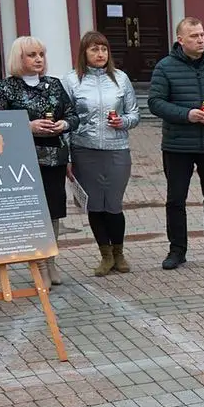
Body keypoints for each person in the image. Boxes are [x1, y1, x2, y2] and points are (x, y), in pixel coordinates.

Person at [148, 17, 204, 269]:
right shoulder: (165, 67)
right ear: (180, 40)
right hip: (178, 146)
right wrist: (186, 115)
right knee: (176, 199)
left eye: (201, 35)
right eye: (194, 36)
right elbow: (155, 102)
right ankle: (177, 250)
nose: (200, 40)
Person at [0, 37, 78, 287]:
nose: (38, 59)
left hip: (54, 158)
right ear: (19, 58)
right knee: (33, 212)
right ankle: (38, 261)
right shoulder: (5, 88)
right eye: (32, 55)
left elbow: (72, 115)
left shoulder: (54, 84)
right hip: (24, 159)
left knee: (53, 212)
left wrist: (63, 124)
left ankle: (50, 260)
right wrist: (26, 126)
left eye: (41, 54)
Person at [63, 31, 140, 277]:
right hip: (85, 151)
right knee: (95, 206)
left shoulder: (120, 79)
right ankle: (105, 255)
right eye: (94, 50)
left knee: (114, 205)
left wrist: (123, 122)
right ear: (84, 53)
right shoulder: (71, 81)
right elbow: (66, 119)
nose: (100, 54)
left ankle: (119, 253)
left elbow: (135, 114)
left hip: (117, 150)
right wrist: (67, 157)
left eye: (104, 49)